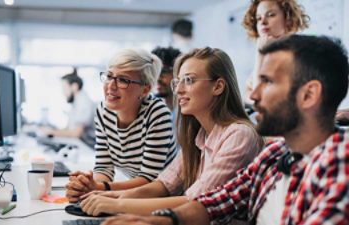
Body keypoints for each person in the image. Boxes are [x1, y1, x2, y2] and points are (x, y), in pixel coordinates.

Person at [101, 35, 349, 225]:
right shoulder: (274, 156)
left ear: (309, 94)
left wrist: (119, 203)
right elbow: (216, 202)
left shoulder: (340, 162)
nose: (253, 94)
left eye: (268, 82)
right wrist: (163, 220)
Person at [78, 47, 262, 220]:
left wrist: (116, 204)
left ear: (218, 86)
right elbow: (163, 185)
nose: (179, 90)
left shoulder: (239, 135)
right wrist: (106, 195)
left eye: (189, 80)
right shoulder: (199, 135)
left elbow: (196, 202)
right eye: (178, 81)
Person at [65, 49, 178, 200]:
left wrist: (99, 188)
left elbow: (149, 179)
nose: (111, 86)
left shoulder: (157, 113)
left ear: (145, 90)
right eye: (109, 76)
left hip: (162, 198)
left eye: (123, 80)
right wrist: (88, 187)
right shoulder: (103, 111)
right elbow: (104, 168)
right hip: (133, 194)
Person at [242, 0, 309, 104]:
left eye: (271, 15)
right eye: (258, 18)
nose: (263, 22)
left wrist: (260, 53)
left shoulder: (299, 54)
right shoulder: (269, 56)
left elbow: (260, 98)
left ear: (288, 18)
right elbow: (249, 94)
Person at [41, 69, 96, 147]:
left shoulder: (83, 103)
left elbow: (76, 133)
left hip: (88, 146)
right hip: (82, 144)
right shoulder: (77, 101)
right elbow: (69, 129)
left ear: (74, 86)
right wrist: (52, 130)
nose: (63, 92)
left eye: (64, 88)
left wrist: (52, 132)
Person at [151, 46, 181, 116]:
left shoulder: (190, 110)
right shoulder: (146, 107)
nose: (157, 79)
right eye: (153, 72)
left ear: (178, 73)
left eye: (163, 72)